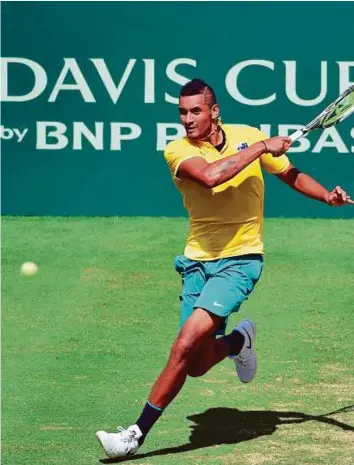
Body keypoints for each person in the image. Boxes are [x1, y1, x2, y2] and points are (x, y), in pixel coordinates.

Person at [96, 78, 353, 458]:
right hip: (197, 263)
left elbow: (289, 174)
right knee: (196, 363)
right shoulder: (178, 150)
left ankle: (134, 435)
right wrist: (263, 146)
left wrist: (325, 197)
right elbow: (213, 176)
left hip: (241, 259)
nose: (187, 119)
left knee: (183, 345)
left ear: (214, 111)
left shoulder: (247, 135)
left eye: (195, 111)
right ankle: (238, 342)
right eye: (182, 112)